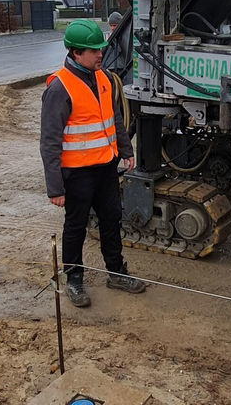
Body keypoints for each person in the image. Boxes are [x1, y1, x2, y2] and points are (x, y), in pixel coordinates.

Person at [40, 19, 145, 307]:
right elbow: (49, 142)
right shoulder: (59, 88)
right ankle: (74, 280)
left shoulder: (104, 78)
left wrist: (125, 149)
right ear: (76, 53)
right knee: (75, 227)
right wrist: (55, 188)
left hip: (106, 168)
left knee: (112, 219)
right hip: (77, 175)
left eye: (101, 49)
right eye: (94, 51)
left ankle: (117, 273)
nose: (101, 54)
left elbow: (115, 119)